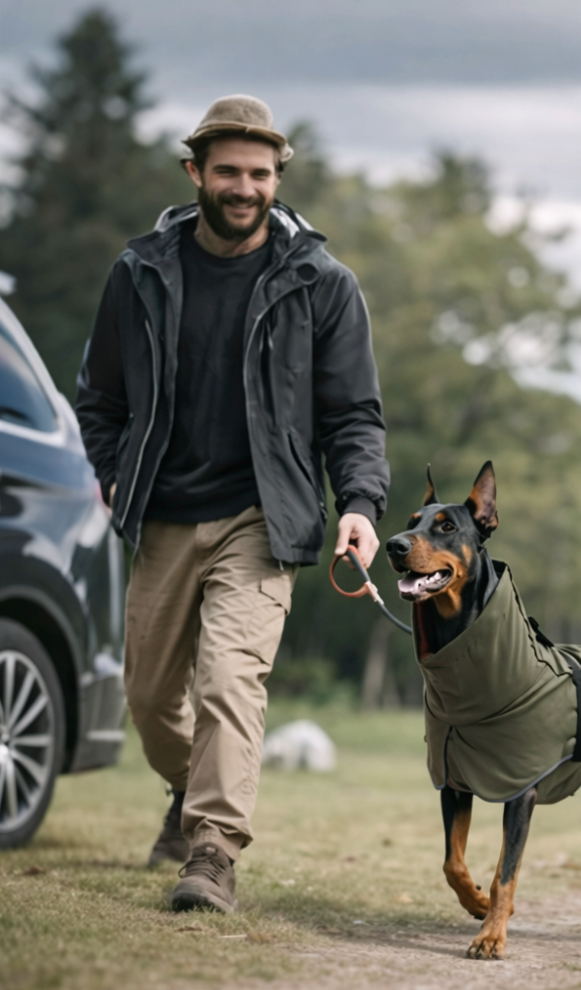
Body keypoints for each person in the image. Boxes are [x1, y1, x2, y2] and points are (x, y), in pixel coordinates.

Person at [75, 95, 389, 913]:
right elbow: (99, 396)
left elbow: (354, 415)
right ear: (195, 173)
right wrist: (112, 472)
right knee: (149, 700)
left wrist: (359, 502)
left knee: (228, 682)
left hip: (263, 519)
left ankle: (212, 851)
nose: (244, 187)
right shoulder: (140, 272)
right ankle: (189, 790)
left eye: (259, 173)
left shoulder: (322, 283)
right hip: (164, 514)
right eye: (228, 172)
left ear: (278, 178)